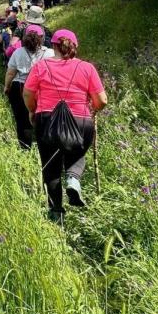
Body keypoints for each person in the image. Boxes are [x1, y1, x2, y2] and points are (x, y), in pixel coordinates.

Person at [23, 29, 107, 220]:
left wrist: (31, 110)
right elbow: (102, 100)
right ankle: (73, 179)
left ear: (53, 46)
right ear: (74, 47)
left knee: (51, 167)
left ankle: (56, 212)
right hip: (81, 121)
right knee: (77, 152)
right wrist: (93, 108)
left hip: (47, 120)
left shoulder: (41, 67)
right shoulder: (87, 68)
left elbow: (28, 93)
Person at [4, 24, 53, 149]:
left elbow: (10, 73)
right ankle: (45, 145)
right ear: (42, 38)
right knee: (44, 118)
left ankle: (25, 147)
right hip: (42, 89)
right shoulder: (50, 53)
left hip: (20, 87)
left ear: (24, 37)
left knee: (22, 120)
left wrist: (7, 87)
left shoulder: (18, 52)